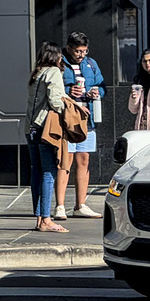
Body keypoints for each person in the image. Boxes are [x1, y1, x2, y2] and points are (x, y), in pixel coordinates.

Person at [54, 31, 105, 220]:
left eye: (84, 51)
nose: (81, 54)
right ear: (68, 48)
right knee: (64, 161)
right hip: (67, 119)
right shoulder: (59, 63)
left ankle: (80, 205)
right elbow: (52, 87)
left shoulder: (91, 64)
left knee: (84, 160)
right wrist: (69, 90)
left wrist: (96, 92)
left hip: (87, 119)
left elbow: (102, 85)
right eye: (77, 51)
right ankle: (60, 206)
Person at [24, 42, 69, 233]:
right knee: (49, 172)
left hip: (30, 128)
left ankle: (39, 218)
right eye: (59, 56)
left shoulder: (37, 73)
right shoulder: (53, 72)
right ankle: (47, 220)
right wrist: (73, 107)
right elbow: (55, 100)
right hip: (46, 129)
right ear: (54, 56)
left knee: (36, 172)